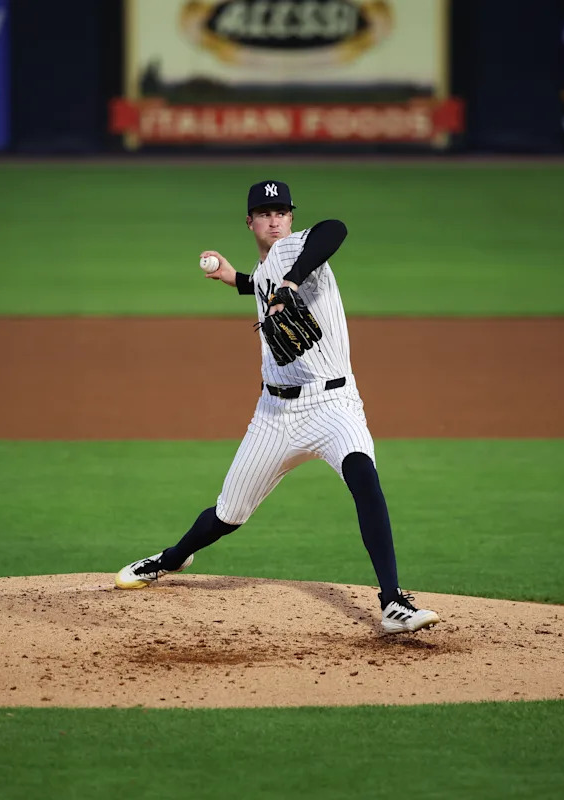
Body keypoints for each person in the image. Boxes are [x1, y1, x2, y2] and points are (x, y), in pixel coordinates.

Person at [115, 179, 439, 634]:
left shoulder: (296, 251)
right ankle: (171, 559)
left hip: (333, 405)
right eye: (265, 213)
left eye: (282, 211)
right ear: (249, 221)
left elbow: (335, 228)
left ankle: (392, 602)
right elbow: (265, 284)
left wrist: (289, 280)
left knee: (364, 476)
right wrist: (237, 280)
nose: (274, 219)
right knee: (228, 513)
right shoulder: (268, 267)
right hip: (274, 415)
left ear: (291, 217)